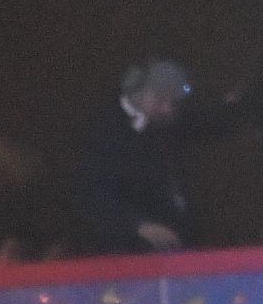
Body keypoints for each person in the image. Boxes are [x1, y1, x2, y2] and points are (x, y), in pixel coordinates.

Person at [78, 58, 198, 255]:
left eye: (173, 102)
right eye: (160, 99)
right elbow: (91, 193)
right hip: (122, 255)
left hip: (170, 251)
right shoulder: (105, 130)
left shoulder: (165, 127)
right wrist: (137, 226)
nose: (167, 108)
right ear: (137, 91)